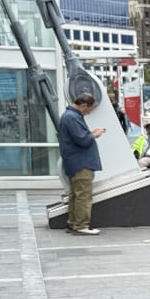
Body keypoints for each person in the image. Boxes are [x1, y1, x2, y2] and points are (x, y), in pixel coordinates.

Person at [57, 90, 104, 236]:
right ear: (84, 105)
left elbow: (78, 136)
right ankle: (81, 225)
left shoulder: (69, 116)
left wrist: (90, 134)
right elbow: (82, 140)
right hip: (81, 162)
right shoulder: (72, 117)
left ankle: (73, 223)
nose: (90, 112)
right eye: (90, 109)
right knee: (83, 195)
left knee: (75, 195)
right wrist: (94, 135)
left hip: (73, 161)